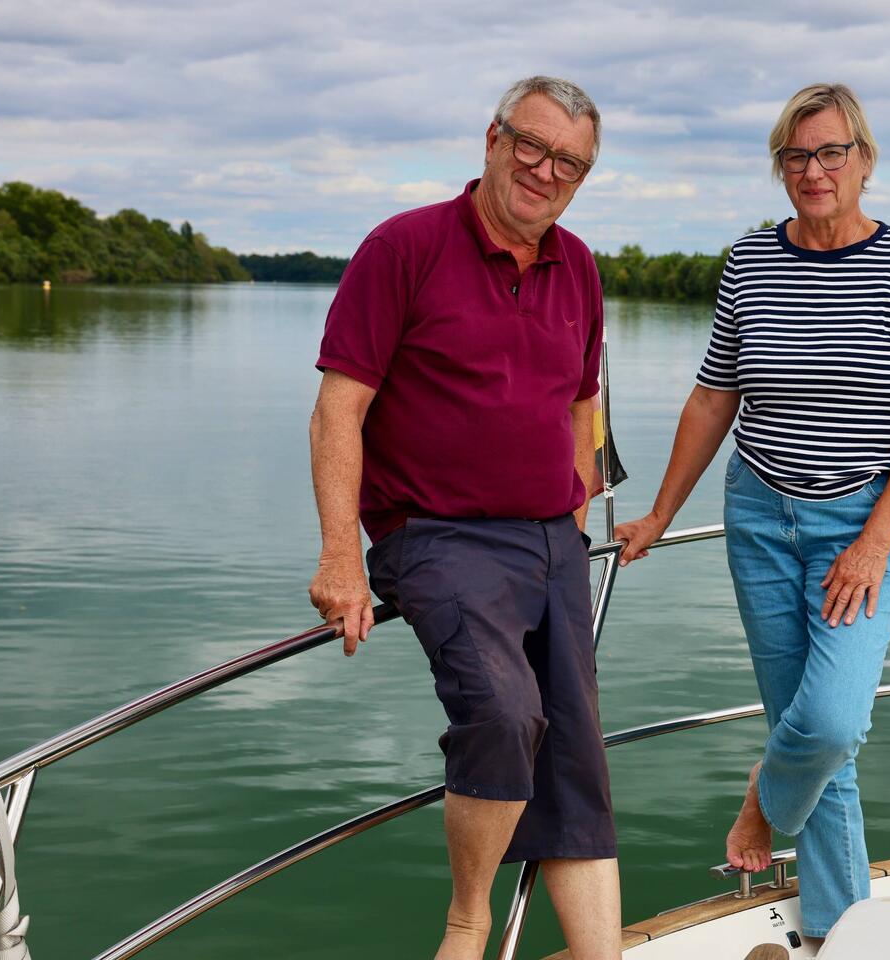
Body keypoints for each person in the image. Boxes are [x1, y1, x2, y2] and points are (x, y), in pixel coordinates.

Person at [615, 82, 890, 942]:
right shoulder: (751, 260)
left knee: (833, 720)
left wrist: (876, 542)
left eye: (832, 151)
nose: (815, 170)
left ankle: (761, 803)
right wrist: (660, 513)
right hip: (762, 520)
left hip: (862, 528)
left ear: (866, 161)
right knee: (823, 751)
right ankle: (837, 932)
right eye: (797, 155)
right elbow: (712, 398)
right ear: (781, 167)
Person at [307, 76, 621, 960]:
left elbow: (582, 398)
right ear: (492, 139)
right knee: (502, 712)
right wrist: (341, 556)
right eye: (533, 145)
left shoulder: (581, 265)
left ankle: (603, 955)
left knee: (576, 753)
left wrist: (582, 480)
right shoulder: (404, 247)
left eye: (570, 162)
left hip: (556, 541)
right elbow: (339, 411)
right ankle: (469, 918)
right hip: (436, 535)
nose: (545, 171)